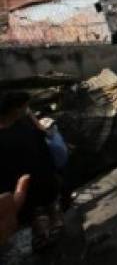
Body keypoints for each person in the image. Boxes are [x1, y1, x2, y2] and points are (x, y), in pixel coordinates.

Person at [0, 92, 63, 251]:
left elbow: (42, 138)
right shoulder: (20, 128)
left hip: (35, 179)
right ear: (15, 109)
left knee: (43, 204)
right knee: (35, 207)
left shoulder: (23, 124)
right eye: (25, 107)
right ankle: (44, 230)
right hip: (27, 183)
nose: (27, 110)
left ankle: (48, 226)